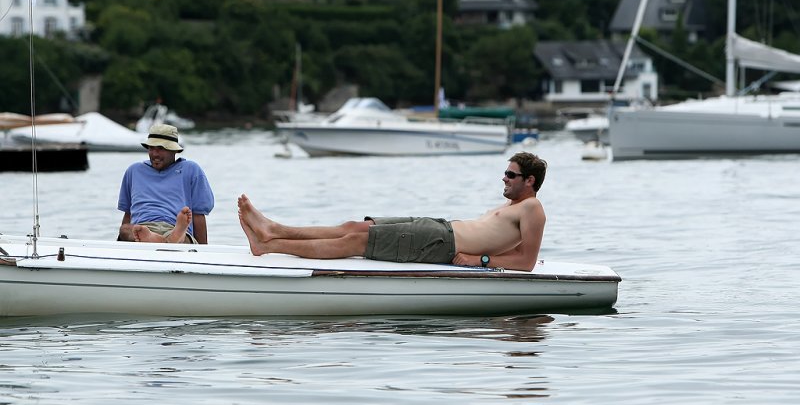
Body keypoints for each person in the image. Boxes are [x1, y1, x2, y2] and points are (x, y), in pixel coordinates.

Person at [238, 152, 547, 272]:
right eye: (505, 173)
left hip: (442, 244)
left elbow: (527, 262)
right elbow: (515, 247)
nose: (503, 179)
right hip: (439, 229)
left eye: (511, 175)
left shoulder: (532, 208)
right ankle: (273, 228)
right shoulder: (515, 207)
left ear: (529, 181)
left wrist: (477, 260)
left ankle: (268, 244)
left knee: (357, 242)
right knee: (356, 226)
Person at [117, 123, 214, 244]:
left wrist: (203, 251)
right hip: (142, 229)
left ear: (174, 150)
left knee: (182, 238)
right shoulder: (134, 170)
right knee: (125, 229)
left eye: (160, 148)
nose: (155, 154)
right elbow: (128, 213)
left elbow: (198, 215)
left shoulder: (191, 169)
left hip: (175, 228)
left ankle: (171, 238)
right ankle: (161, 240)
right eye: (151, 148)